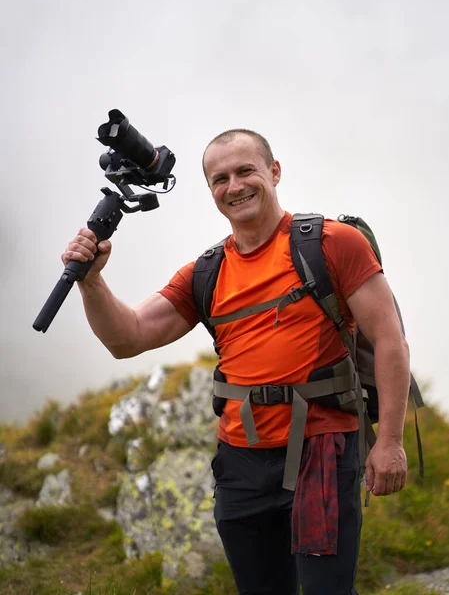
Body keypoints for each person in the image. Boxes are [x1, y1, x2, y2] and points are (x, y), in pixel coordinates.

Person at [62, 129, 410, 595]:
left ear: (274, 172)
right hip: (240, 464)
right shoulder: (206, 273)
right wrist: (92, 282)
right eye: (220, 178)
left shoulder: (333, 243)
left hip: (322, 452)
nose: (234, 186)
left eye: (246, 170)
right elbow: (128, 338)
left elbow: (390, 341)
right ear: (210, 191)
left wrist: (389, 442)